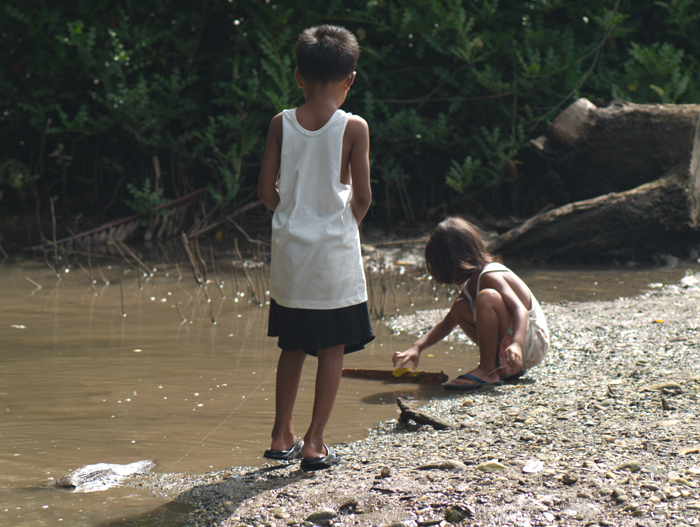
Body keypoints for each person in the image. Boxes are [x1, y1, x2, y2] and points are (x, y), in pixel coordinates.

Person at [257, 25, 374, 470]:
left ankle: (279, 435)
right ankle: (314, 442)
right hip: (334, 255)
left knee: (292, 344)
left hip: (290, 252)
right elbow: (362, 196)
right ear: (350, 80)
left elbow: (267, 193)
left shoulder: (280, 123)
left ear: (298, 76)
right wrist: (345, 224)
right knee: (332, 348)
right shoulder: (354, 127)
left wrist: (291, 214)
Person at [392, 217, 549, 390]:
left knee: (487, 297)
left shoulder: (490, 275)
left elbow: (520, 309)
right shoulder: (472, 285)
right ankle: (497, 367)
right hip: (515, 349)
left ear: (457, 259)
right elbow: (447, 323)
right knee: (459, 308)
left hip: (529, 343)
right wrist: (417, 347)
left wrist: (516, 344)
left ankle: (488, 369)